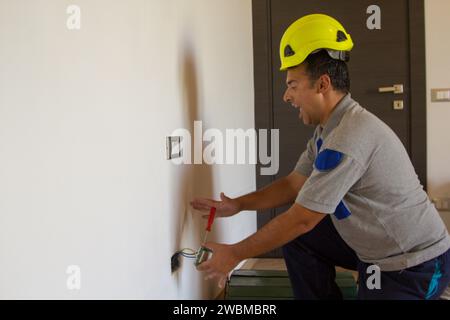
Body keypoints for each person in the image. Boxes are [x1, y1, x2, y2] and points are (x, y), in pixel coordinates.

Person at [190, 13, 450, 299]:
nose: (287, 97)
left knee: (298, 227)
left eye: (292, 85)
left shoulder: (349, 136)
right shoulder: (329, 130)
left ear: (322, 84)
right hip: (374, 252)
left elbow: (304, 218)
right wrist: (238, 205)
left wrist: (235, 253)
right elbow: (293, 185)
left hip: (414, 264)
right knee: (299, 238)